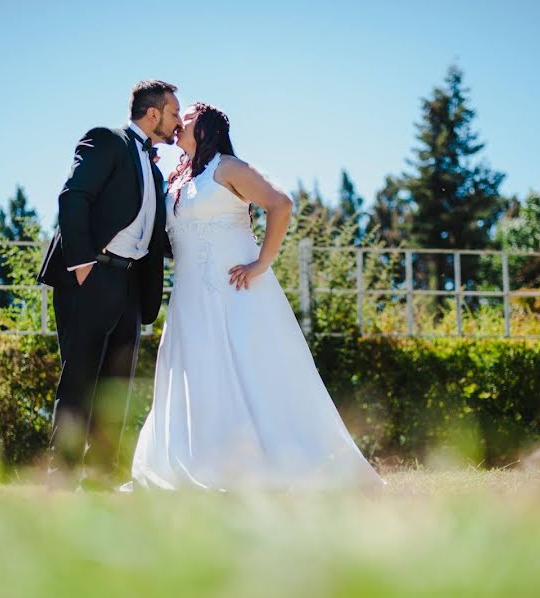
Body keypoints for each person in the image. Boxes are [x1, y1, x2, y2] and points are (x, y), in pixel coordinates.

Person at [125, 102, 384, 492]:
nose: (178, 123)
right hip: (190, 297)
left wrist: (262, 262)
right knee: (197, 373)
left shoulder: (228, 168)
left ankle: (290, 463)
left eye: (187, 118)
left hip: (237, 291)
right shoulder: (177, 178)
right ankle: (202, 461)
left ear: (207, 128)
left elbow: (280, 204)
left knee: (255, 369)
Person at [37, 80, 182, 490]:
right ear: (152, 114)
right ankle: (60, 478)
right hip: (91, 276)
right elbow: (73, 197)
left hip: (131, 288)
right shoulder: (106, 140)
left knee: (117, 386)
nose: (177, 123)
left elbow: (158, 235)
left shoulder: (155, 170)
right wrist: (83, 266)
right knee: (80, 380)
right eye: (173, 114)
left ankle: (101, 479)